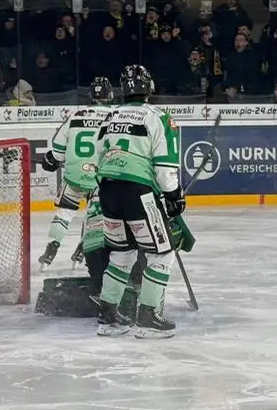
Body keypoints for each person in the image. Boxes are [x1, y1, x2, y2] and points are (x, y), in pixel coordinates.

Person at [93, 64, 183, 338]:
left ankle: (107, 318)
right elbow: (165, 166)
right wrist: (173, 196)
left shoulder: (110, 117)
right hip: (138, 192)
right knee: (161, 254)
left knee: (121, 254)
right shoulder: (158, 117)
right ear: (149, 86)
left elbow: (98, 155)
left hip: (107, 192)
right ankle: (148, 318)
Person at [37, 76, 114, 267]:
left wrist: (51, 160)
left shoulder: (76, 115)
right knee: (94, 215)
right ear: (110, 94)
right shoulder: (115, 116)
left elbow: (57, 151)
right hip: (99, 178)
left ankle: (51, 250)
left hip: (74, 176)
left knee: (64, 213)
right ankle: (82, 249)